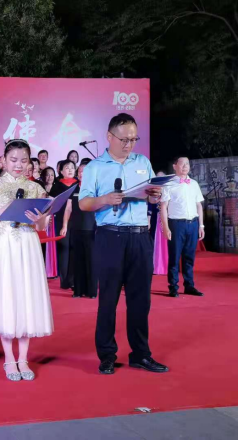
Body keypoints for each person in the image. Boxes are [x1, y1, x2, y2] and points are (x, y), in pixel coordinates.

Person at [79, 113, 168, 375]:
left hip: (140, 236)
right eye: (124, 139)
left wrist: (155, 196)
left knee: (141, 300)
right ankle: (107, 355)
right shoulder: (95, 167)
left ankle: (141, 354)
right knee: (108, 299)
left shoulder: (142, 162)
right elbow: (84, 203)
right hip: (110, 236)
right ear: (109, 137)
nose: (129, 144)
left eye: (133, 139)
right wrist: (105, 199)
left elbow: (152, 196)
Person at [0, 139, 53, 381]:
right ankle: (9, 359)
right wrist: (6, 210)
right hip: (4, 244)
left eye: (23, 160)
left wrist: (40, 219)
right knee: (7, 296)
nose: (18, 165)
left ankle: (23, 358)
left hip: (28, 244)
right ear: (3, 161)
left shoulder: (35, 188)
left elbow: (42, 226)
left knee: (26, 296)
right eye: (13, 160)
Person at [161, 157, 205, 297]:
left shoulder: (194, 184)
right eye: (182, 164)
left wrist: (201, 225)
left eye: (187, 164)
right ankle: (173, 287)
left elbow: (199, 205)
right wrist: (166, 227)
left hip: (193, 224)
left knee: (189, 257)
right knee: (174, 257)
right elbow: (163, 207)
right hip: (176, 224)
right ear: (175, 166)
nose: (185, 166)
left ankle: (189, 285)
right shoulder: (168, 184)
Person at [70, 158, 97, 298]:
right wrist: (65, 225)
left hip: (91, 228)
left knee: (91, 260)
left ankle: (92, 291)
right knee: (78, 260)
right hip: (76, 228)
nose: (81, 173)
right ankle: (78, 291)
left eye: (84, 171)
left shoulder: (95, 188)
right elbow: (68, 208)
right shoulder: (73, 188)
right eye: (80, 171)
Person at [50, 160, 77, 290]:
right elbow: (51, 203)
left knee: (74, 249)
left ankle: (73, 280)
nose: (70, 170)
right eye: (67, 168)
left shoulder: (79, 184)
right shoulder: (57, 186)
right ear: (61, 171)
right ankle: (64, 280)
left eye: (72, 167)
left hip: (77, 220)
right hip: (61, 220)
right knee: (64, 250)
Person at [41, 167, 58, 278]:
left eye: (52, 175)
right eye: (47, 175)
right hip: (42, 217)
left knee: (52, 243)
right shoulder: (40, 188)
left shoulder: (58, 187)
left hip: (54, 218)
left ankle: (52, 271)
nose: (50, 177)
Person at [151, 171, 168, 275]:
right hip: (155, 218)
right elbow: (150, 204)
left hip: (168, 218)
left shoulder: (168, 190)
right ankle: (157, 266)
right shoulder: (152, 190)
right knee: (156, 242)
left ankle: (169, 266)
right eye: (158, 177)